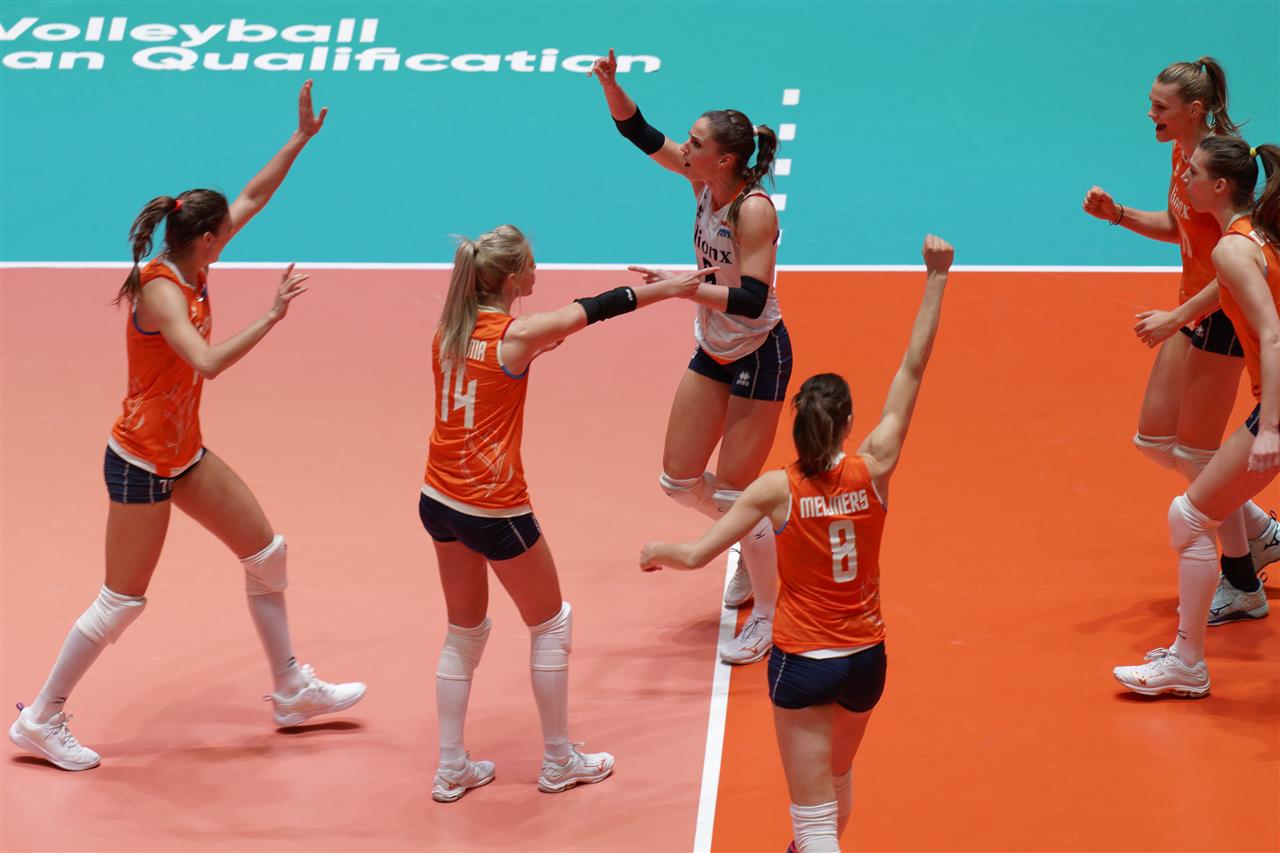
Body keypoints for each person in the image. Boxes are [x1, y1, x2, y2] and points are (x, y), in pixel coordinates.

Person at [8, 81, 365, 772]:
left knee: (266, 554)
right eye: (222, 235)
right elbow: (205, 361)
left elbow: (253, 195)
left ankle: (291, 688)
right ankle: (42, 718)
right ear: (204, 240)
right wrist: (272, 316)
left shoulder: (194, 257)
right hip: (141, 460)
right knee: (122, 600)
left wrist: (298, 140)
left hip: (184, 452)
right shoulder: (161, 288)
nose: (229, 238)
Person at [640, 236, 954, 852]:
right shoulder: (875, 468)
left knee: (813, 822)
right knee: (835, 779)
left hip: (805, 663)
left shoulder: (774, 491)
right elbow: (913, 369)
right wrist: (937, 278)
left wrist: (657, 551)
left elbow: (697, 555)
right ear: (847, 425)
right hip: (866, 660)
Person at [424, 224, 717, 802]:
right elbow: (597, 308)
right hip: (494, 507)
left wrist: (537, 344)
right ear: (513, 280)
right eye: (533, 266)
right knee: (551, 623)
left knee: (465, 630)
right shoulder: (519, 334)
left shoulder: (449, 331)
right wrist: (674, 288)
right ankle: (559, 761)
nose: (539, 272)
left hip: (438, 499)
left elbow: (507, 358)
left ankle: (450, 766)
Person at [589, 49, 790, 664]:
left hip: (758, 352)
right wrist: (611, 85)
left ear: (723, 160)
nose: (686, 147)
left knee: (732, 492)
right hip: (714, 346)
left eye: (696, 142)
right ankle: (753, 531)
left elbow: (752, 301)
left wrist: (682, 288)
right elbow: (638, 131)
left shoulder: (753, 210)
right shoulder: (701, 180)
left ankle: (767, 615)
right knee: (678, 479)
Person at [1082, 57, 1279, 620]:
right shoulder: (1184, 158)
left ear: (1194, 109)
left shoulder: (1215, 168)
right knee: (1154, 441)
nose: (1150, 113)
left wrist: (1176, 319)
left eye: (1160, 106)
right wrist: (1118, 214)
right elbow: (1181, 227)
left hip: (1217, 316)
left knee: (1196, 453)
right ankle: (1262, 530)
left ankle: (1240, 580)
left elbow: (1235, 265)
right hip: (1190, 308)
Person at [1114, 137, 1280, 697]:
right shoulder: (1257, 234)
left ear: (1220, 186)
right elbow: (1228, 289)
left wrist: (1271, 427)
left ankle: (1187, 663)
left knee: (1189, 518)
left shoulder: (1233, 248)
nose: (1184, 182)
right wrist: (1176, 318)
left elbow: (1273, 336)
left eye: (1194, 176)